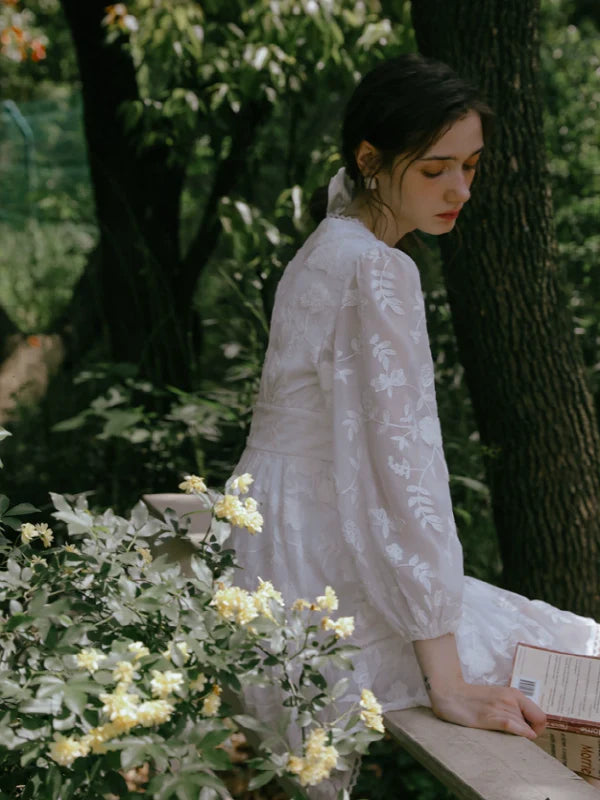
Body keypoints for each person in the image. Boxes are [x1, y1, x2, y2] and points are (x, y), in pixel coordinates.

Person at [229, 54, 600, 797]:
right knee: (576, 657)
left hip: (262, 551)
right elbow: (404, 479)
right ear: (370, 160)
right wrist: (448, 679)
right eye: (435, 170)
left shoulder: (324, 247)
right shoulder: (375, 269)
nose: (460, 189)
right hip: (321, 576)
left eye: (470, 166)